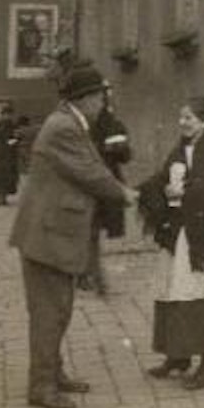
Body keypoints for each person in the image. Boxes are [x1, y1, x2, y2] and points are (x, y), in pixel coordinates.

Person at [9, 63, 137, 408]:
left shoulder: (69, 122)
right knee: (50, 312)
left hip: (54, 232)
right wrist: (125, 193)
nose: (104, 105)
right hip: (48, 235)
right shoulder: (65, 127)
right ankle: (41, 387)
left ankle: (53, 373)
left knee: (59, 309)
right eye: (101, 97)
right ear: (86, 98)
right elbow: (90, 172)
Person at [138, 97, 204, 390]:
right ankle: (178, 354)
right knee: (172, 288)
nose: (182, 122)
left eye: (188, 117)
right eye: (181, 117)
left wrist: (181, 192)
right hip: (178, 230)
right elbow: (163, 176)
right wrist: (152, 190)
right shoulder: (181, 146)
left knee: (201, 290)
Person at [79, 81, 132, 296]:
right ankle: (93, 277)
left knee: (90, 231)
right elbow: (125, 155)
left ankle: (90, 276)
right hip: (102, 182)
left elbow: (124, 154)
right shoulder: (109, 123)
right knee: (91, 232)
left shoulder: (85, 123)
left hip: (93, 183)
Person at [0, 102, 20, 206]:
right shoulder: (10, 125)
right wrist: (15, 140)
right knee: (5, 176)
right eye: (7, 114)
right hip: (6, 155)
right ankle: (2, 198)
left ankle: (1, 198)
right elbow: (11, 140)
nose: (8, 116)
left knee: (1, 176)